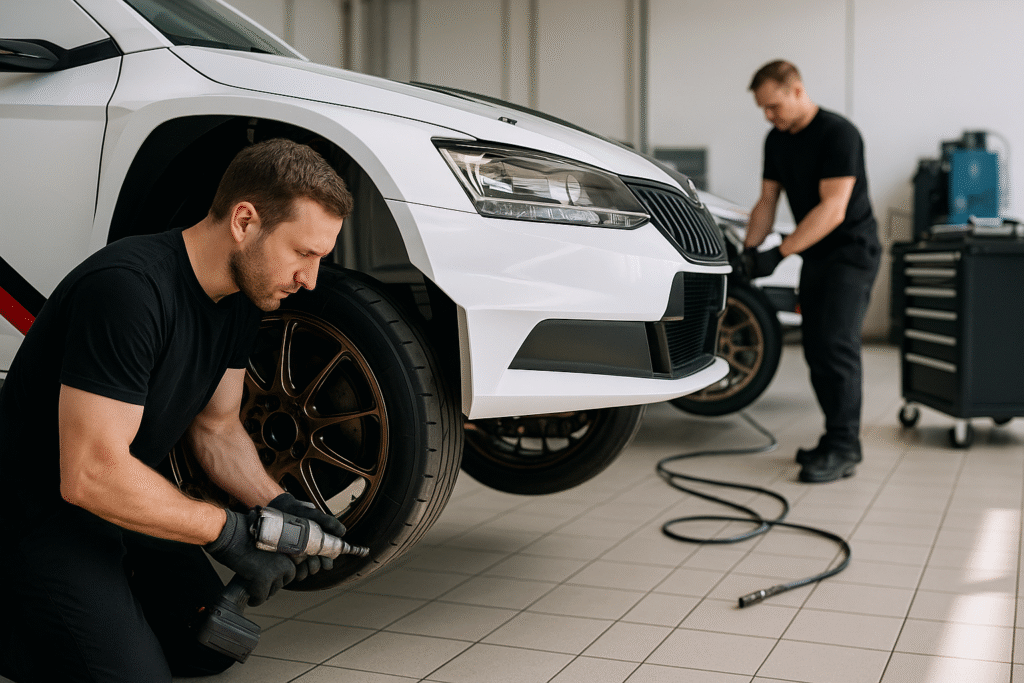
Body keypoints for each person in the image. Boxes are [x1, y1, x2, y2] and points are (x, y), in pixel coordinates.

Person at [0, 138, 354, 681]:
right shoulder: (128, 290)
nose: (310, 278)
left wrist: (281, 503)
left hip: (124, 504)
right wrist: (230, 533)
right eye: (303, 253)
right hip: (41, 517)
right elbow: (90, 476)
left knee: (207, 648)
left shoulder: (239, 297)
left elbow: (216, 428)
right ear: (244, 221)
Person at [742, 60, 880, 484]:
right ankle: (834, 438)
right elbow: (767, 201)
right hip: (817, 257)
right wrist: (748, 253)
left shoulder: (838, 134)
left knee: (836, 348)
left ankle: (844, 448)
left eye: (774, 105)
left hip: (851, 254)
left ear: (797, 90)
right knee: (817, 350)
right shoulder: (777, 140)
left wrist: (779, 253)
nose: (769, 115)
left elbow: (832, 209)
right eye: (763, 109)